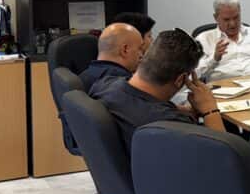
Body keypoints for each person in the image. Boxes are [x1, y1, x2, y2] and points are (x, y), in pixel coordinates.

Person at [90, 29, 225, 164]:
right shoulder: (171, 125)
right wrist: (210, 111)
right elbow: (222, 162)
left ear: (144, 58)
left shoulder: (104, 85)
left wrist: (181, 110)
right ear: (180, 79)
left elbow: (139, 102)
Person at [78, 23, 144, 92]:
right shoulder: (125, 84)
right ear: (125, 50)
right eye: (139, 48)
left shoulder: (82, 76)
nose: (141, 55)